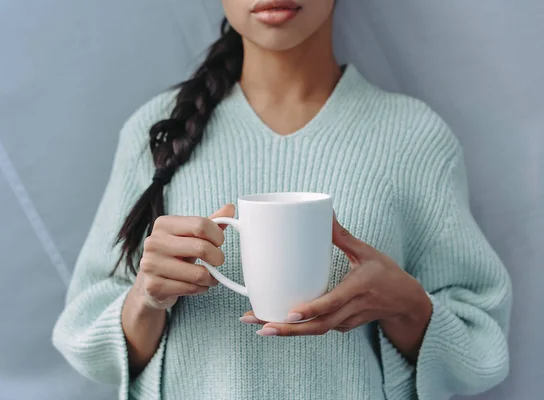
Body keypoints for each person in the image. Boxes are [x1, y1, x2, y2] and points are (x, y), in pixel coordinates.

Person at [52, 1, 512, 399]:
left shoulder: (416, 138)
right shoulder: (153, 134)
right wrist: (146, 299)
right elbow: (85, 335)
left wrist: (406, 305)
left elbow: (482, 348)